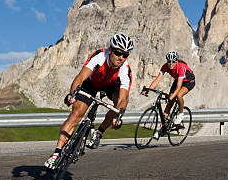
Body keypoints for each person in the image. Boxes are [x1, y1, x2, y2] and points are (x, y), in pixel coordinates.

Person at [44, 33, 134, 169]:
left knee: (117, 107)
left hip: (111, 87)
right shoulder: (99, 56)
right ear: (110, 50)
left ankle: (99, 132)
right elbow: (80, 77)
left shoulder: (125, 70)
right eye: (118, 53)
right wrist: (72, 94)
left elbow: (123, 99)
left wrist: (119, 115)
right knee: (76, 114)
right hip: (91, 84)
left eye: (125, 55)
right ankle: (57, 153)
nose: (121, 58)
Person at [141, 51, 195, 139]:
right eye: (169, 61)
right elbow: (157, 79)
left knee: (178, 95)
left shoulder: (181, 68)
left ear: (176, 61)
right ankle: (161, 130)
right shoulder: (165, 66)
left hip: (188, 81)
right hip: (178, 80)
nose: (170, 63)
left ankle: (181, 114)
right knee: (168, 105)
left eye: (173, 61)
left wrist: (171, 97)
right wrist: (148, 89)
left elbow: (178, 88)